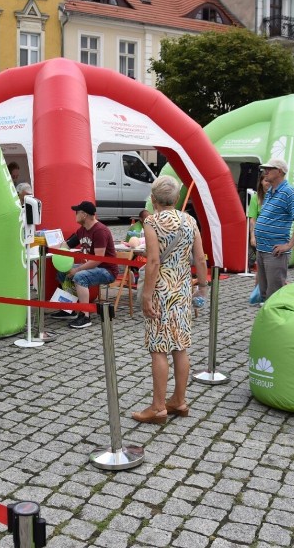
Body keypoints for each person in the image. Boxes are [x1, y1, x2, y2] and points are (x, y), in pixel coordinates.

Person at [132, 175, 208, 424]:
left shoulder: (152, 222)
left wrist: (146, 295)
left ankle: (157, 407)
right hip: (183, 290)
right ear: (176, 199)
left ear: (153, 199)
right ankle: (179, 400)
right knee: (180, 346)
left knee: (158, 348)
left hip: (161, 291)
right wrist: (203, 289)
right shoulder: (190, 221)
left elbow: (153, 262)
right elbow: (199, 259)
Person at [52, 201, 118, 329]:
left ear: (84, 215)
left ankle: (85, 316)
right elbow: (66, 245)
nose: (75, 215)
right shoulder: (82, 230)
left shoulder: (100, 231)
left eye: (77, 212)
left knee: (79, 276)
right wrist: (47, 247)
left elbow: (98, 259)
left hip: (106, 270)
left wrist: (77, 269)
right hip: (93, 267)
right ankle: (68, 309)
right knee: (62, 271)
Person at [253, 158, 294, 301]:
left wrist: (289, 245)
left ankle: (274, 320)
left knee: (275, 294)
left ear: (279, 171)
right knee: (265, 292)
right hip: (263, 249)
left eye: (269, 169)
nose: (265, 172)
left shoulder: (288, 191)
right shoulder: (271, 191)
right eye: (265, 169)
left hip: (275, 252)